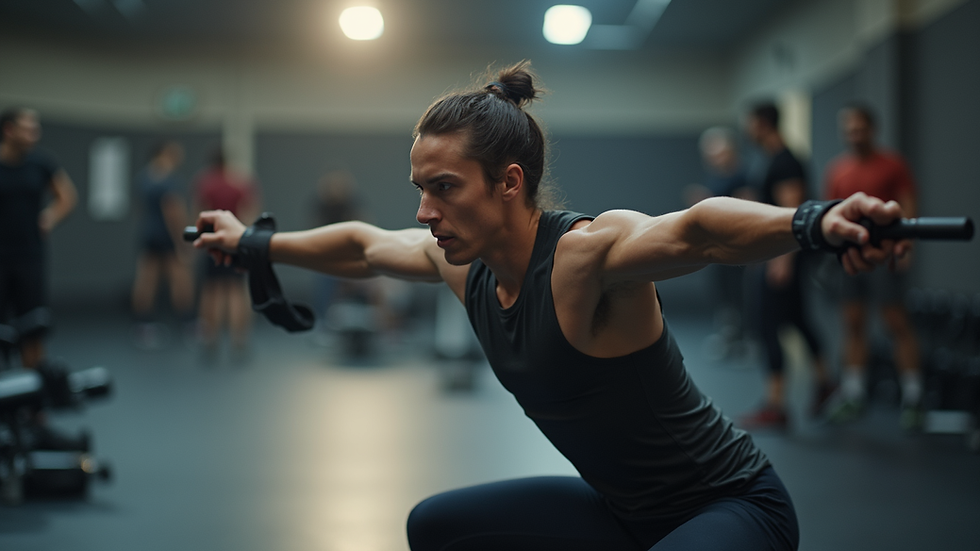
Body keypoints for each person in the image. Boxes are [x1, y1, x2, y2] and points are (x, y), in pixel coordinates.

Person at [193, 62, 908, 551]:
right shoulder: (458, 266)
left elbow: (699, 233)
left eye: (444, 187)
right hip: (623, 514)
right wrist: (258, 244)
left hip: (731, 505)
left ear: (508, 181)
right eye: (420, 188)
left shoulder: (586, 256)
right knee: (435, 526)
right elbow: (362, 246)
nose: (424, 210)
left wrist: (814, 222)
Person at [823, 103, 923, 429]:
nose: (854, 135)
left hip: (884, 256)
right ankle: (854, 394)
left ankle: (914, 397)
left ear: (872, 129)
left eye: (859, 128)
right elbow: (830, 215)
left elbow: (907, 207)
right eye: (848, 129)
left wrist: (905, 245)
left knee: (895, 323)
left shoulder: (893, 165)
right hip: (851, 256)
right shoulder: (837, 170)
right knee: (853, 323)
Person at [738, 102, 835, 430]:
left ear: (762, 122)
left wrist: (781, 260)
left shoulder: (785, 161)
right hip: (776, 254)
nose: (746, 129)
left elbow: (793, 212)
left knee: (768, 325)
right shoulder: (769, 160)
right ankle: (825, 382)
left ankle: (776, 405)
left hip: (783, 256)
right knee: (798, 319)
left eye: (749, 122)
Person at [0, 107, 77, 368]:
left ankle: (33, 401)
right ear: (9, 130)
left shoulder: (41, 163)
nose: (35, 133)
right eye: (28, 128)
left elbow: (67, 196)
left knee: (33, 327)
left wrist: (49, 217)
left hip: (29, 257)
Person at [686, 127, 755, 360]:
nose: (712, 159)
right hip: (718, 246)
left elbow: (747, 209)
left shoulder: (743, 176)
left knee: (740, 294)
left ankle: (746, 342)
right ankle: (729, 336)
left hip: (738, 246)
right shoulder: (717, 177)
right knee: (723, 293)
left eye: (716, 154)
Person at [192, 148, 260, 360]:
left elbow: (198, 214)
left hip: (212, 244)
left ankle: (209, 340)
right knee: (236, 291)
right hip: (235, 243)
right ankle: (239, 341)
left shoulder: (205, 184)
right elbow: (251, 214)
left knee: (212, 291)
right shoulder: (239, 184)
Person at [130, 141, 194, 348]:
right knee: (180, 278)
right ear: (164, 153)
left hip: (149, 234)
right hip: (166, 235)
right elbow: (173, 212)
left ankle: (143, 326)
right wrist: (181, 241)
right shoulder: (170, 181)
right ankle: (187, 323)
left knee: (146, 280)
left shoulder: (144, 178)